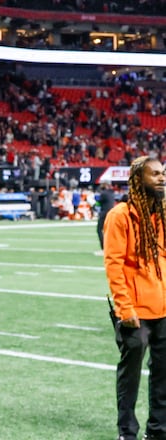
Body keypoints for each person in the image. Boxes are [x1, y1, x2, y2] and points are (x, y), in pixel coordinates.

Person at [103, 156, 166, 440]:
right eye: (154, 174)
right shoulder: (120, 215)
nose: (162, 178)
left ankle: (158, 431)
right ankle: (127, 433)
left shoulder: (163, 212)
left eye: (163, 173)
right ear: (138, 178)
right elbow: (114, 265)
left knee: (163, 376)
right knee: (130, 376)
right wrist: (124, 308)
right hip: (134, 312)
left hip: (163, 308)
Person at [96, 182, 116, 255]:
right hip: (112, 213)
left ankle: (104, 248)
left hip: (104, 213)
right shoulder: (112, 193)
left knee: (99, 230)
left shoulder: (103, 193)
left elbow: (98, 203)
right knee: (109, 231)